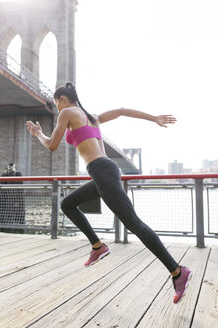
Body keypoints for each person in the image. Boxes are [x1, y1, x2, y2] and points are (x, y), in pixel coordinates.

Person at [26, 82, 192, 304]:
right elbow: (122, 111)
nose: (58, 110)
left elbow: (52, 145)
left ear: (63, 100)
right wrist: (154, 118)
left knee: (134, 224)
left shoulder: (66, 112)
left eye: (57, 105)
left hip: (101, 171)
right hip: (104, 171)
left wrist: (38, 133)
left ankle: (178, 272)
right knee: (68, 204)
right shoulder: (93, 117)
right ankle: (97, 246)